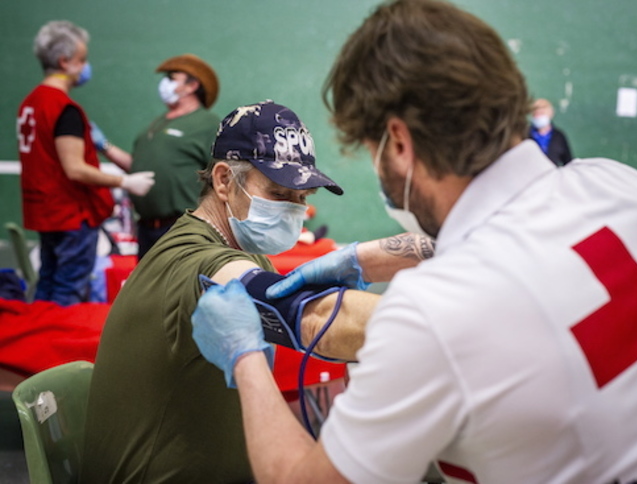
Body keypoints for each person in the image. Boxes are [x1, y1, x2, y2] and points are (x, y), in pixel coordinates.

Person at [190, 1, 637, 482]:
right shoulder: (619, 184)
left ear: (398, 142)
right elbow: (520, 239)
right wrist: (369, 258)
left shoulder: (433, 315)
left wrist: (246, 357)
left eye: (373, 148)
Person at [79, 100, 432, 483]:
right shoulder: (196, 261)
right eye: (280, 194)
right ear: (224, 181)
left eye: (303, 199)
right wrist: (454, 330)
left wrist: (373, 256)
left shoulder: (241, 252)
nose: (294, 211)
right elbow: (319, 320)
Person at [15, 20, 155, 306]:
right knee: (68, 293)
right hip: (70, 215)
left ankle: (40, 346)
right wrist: (124, 181)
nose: (85, 67)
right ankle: (60, 350)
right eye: (82, 60)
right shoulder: (63, 108)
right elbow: (75, 169)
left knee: (48, 285)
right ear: (65, 62)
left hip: (47, 213)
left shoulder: (31, 103)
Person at [94, 54, 221, 259]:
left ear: (192, 85)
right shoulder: (155, 125)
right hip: (146, 229)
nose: (165, 83)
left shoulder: (207, 124)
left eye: (172, 78)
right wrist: (104, 146)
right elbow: (136, 169)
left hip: (182, 228)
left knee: (179, 288)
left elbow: (222, 175)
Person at [528, 97, 573, 166]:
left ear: (551, 113)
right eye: (536, 114)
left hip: (552, 175)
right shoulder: (524, 136)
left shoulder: (559, 136)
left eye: (542, 113)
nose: (539, 116)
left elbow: (568, 162)